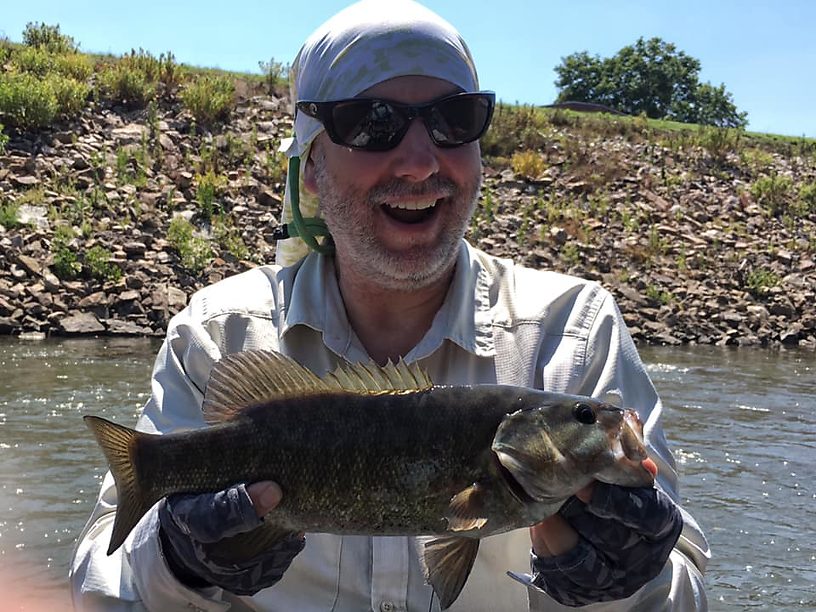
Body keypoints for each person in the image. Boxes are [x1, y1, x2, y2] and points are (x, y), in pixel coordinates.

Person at [70, 1, 710, 610]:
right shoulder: (215, 335)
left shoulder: (574, 332)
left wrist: (631, 577)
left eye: (454, 120)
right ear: (312, 168)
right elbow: (101, 589)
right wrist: (178, 561)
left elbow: (685, 595)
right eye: (372, 123)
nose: (418, 160)